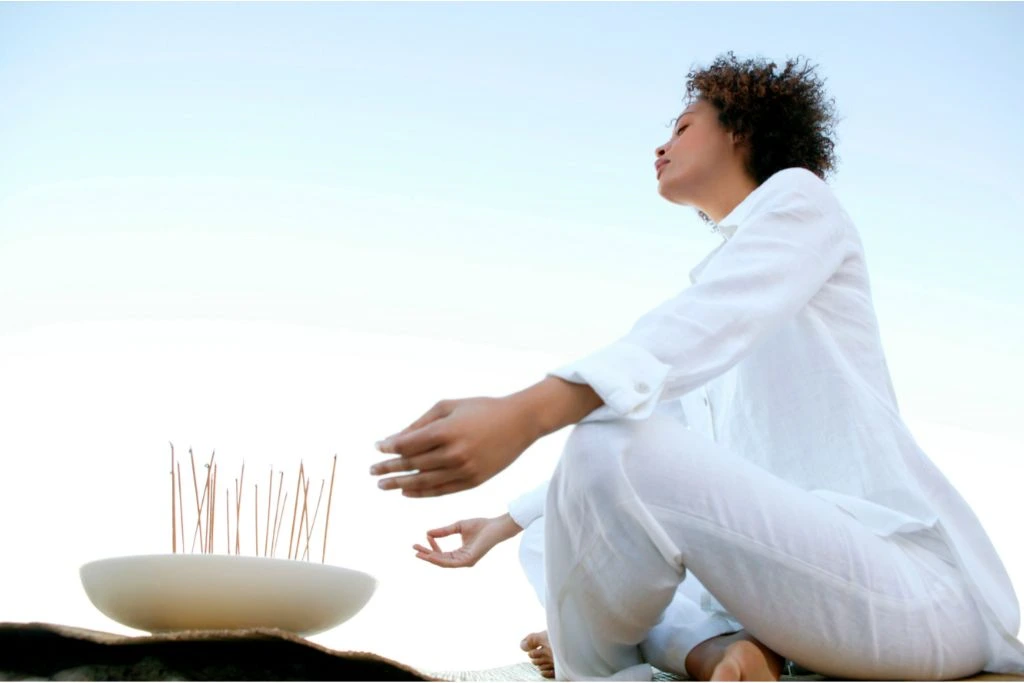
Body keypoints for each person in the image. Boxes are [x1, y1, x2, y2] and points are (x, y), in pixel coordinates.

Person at [370, 52, 1024, 681]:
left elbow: (692, 334)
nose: (662, 146)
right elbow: (635, 449)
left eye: (683, 127)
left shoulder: (801, 204)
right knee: (553, 534)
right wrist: (504, 522)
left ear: (742, 129)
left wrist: (526, 411)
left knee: (611, 442)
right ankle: (719, 655)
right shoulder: (711, 313)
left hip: (911, 593)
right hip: (793, 594)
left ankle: (619, 665)